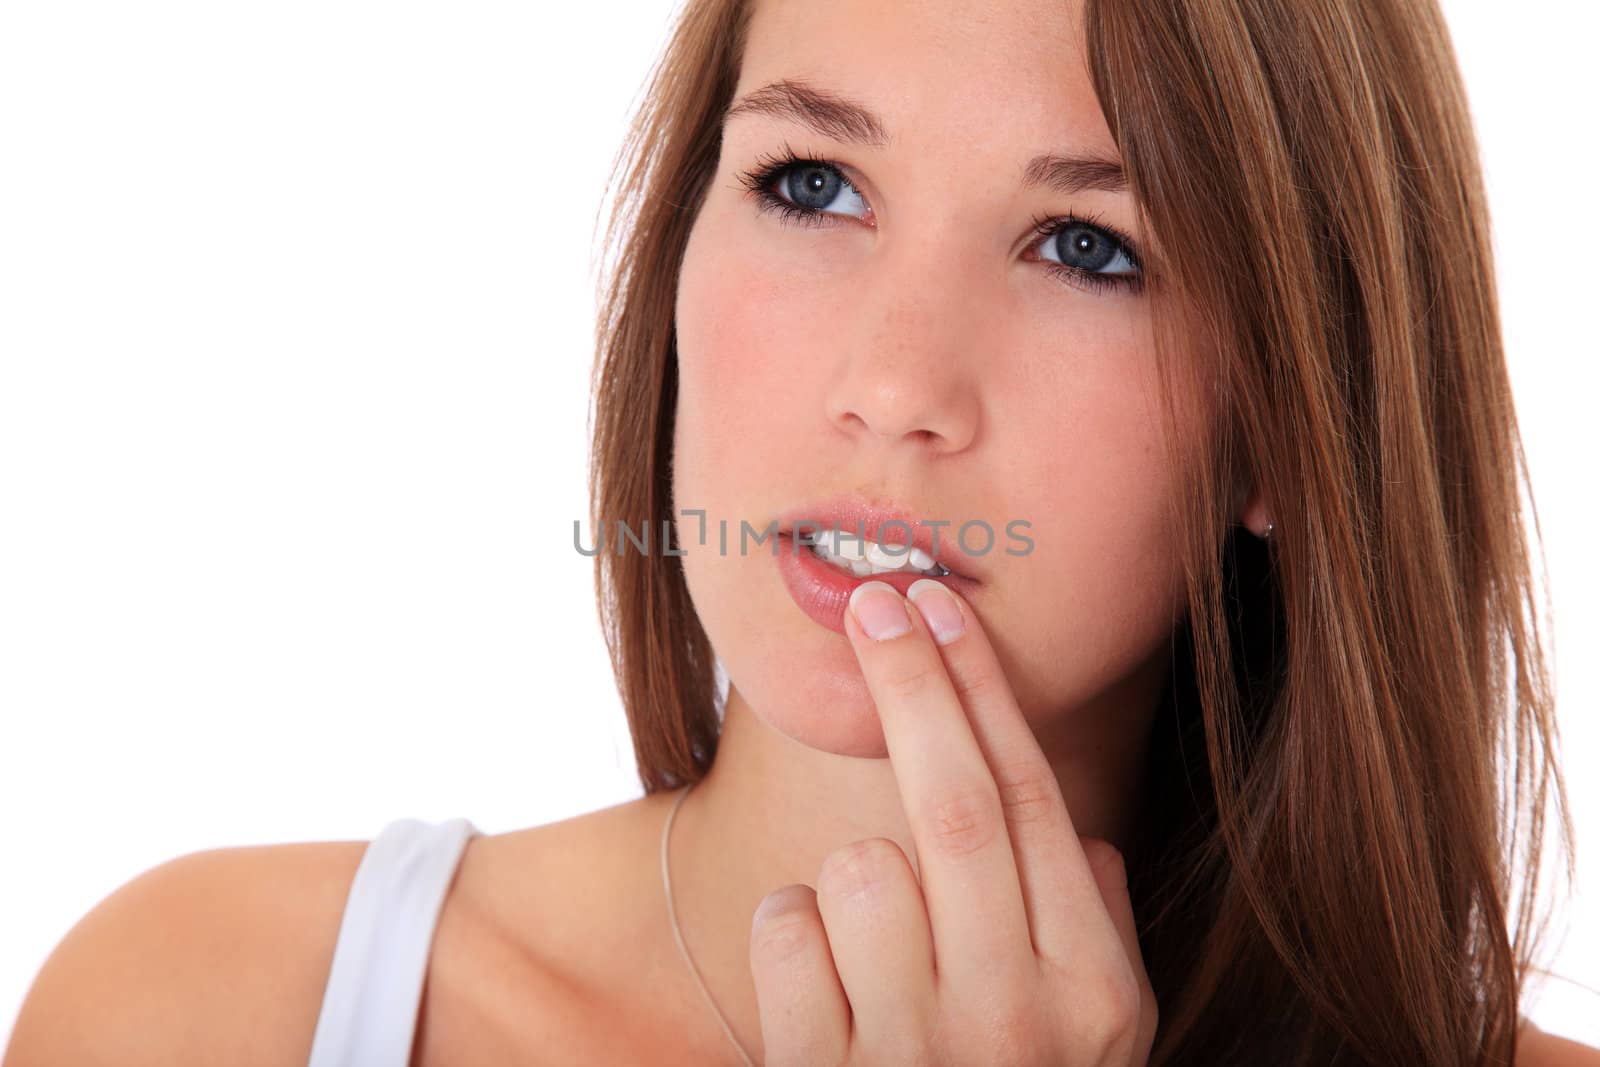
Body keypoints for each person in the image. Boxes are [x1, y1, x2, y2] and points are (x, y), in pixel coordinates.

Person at [5, 0, 1598, 1063]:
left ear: (1291, 425)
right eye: (813, 184)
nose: (896, 385)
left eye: (1086, 247)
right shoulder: (214, 1006)